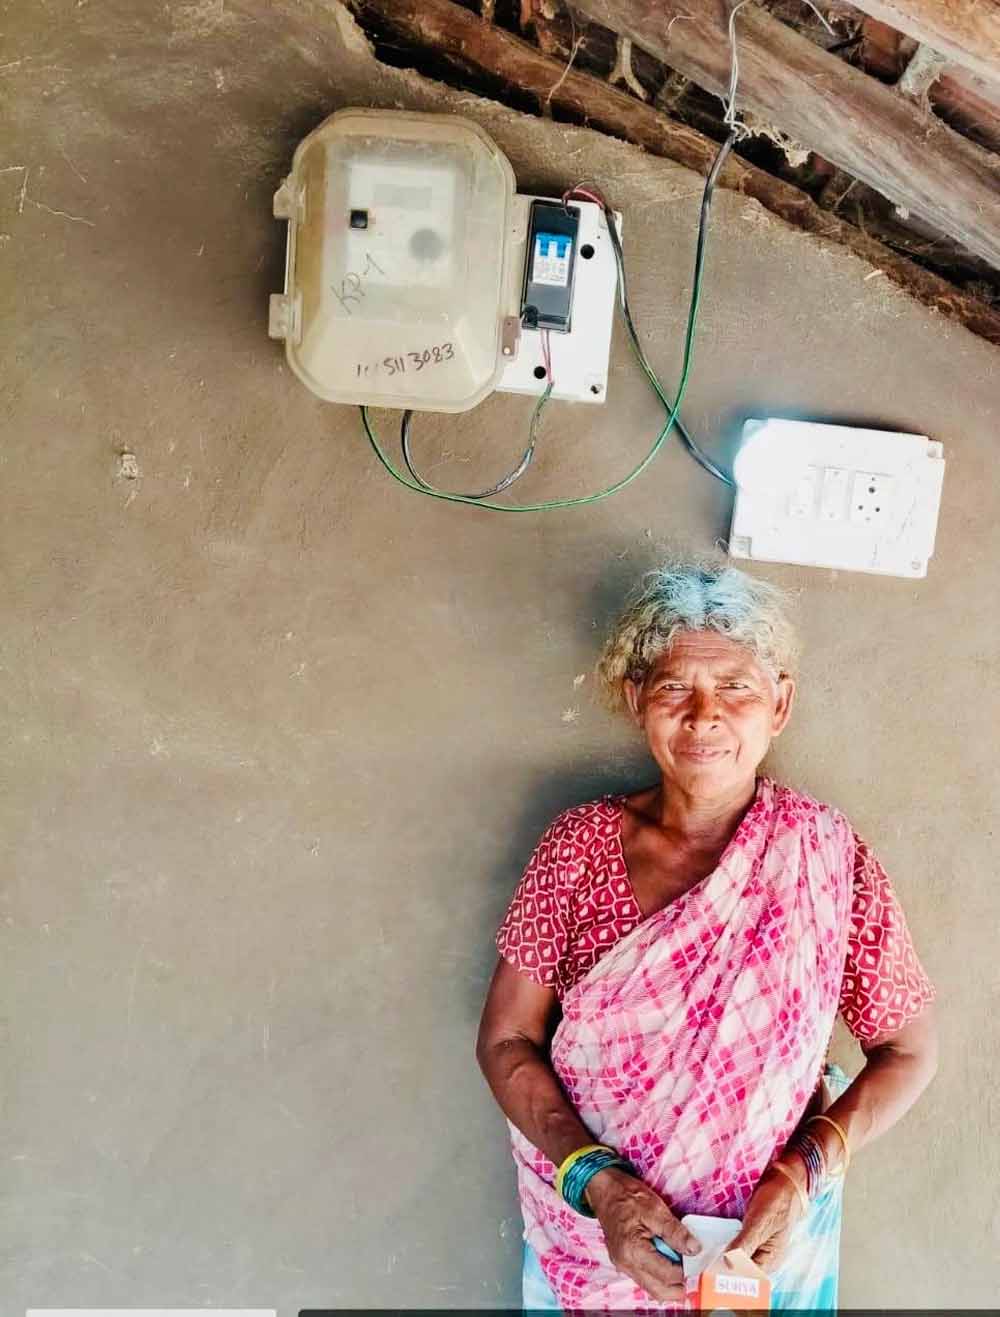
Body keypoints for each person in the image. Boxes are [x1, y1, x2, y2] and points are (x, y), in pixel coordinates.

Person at [477, 560, 937, 1311]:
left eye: (736, 689)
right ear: (637, 700)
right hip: (590, 1245)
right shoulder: (579, 846)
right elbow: (505, 1040)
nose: (704, 716)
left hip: (763, 1256)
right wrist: (599, 1183)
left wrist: (801, 1174)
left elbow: (909, 1052)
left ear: (779, 705)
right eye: (674, 689)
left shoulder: (825, 856)